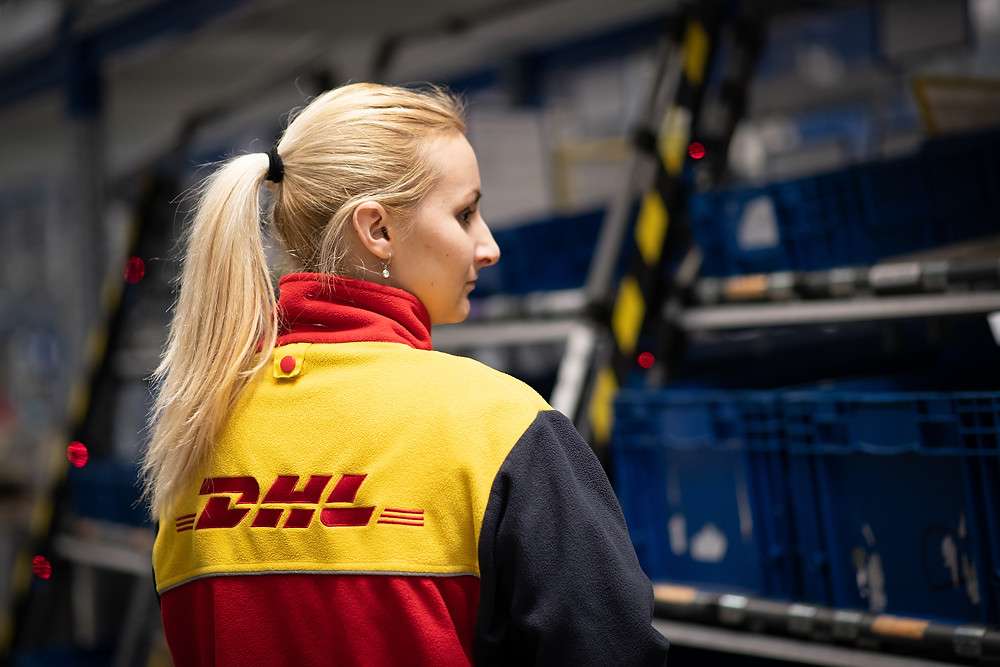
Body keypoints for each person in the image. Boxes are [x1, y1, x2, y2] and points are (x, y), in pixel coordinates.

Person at [141, 82, 668, 666]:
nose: (488, 246)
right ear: (378, 230)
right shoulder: (497, 426)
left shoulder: (194, 436)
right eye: (464, 214)